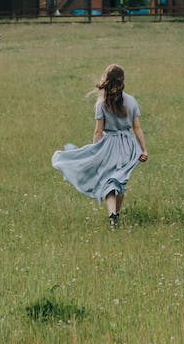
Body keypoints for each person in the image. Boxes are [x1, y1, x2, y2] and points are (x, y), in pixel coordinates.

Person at [51, 63, 149, 227]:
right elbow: (137, 127)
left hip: (108, 146)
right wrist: (144, 148)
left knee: (109, 183)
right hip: (128, 147)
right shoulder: (131, 101)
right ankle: (115, 215)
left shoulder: (101, 104)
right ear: (122, 81)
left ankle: (113, 216)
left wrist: (95, 151)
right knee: (120, 181)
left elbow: (98, 131)